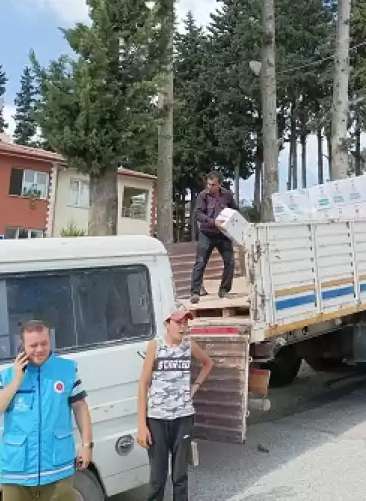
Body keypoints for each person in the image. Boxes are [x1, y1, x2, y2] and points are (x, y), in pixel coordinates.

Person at [0, 320, 93, 501]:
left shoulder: (67, 370)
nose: (39, 349)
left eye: (44, 343)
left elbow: (80, 408)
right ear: (22, 346)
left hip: (58, 468)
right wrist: (17, 380)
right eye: (33, 345)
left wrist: (87, 445)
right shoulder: (7, 376)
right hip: (17, 472)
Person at [136, 308, 214, 501]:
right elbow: (143, 384)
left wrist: (195, 386)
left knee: (180, 476)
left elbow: (208, 363)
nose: (182, 327)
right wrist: (141, 425)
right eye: (178, 322)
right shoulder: (156, 345)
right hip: (157, 419)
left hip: (183, 417)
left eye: (185, 322)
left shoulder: (189, 345)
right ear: (167, 324)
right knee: (157, 478)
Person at [190, 170, 238, 303]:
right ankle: (195, 292)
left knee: (230, 262)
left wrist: (236, 225)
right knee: (200, 262)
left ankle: (224, 291)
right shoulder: (202, 196)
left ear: (219, 185)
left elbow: (235, 211)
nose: (209, 187)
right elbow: (198, 214)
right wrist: (213, 222)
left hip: (223, 234)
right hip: (206, 233)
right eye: (208, 184)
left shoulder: (227, 195)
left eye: (213, 185)